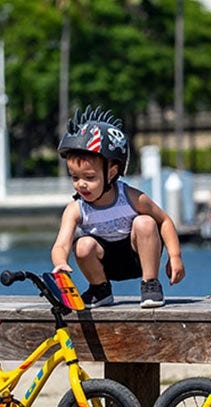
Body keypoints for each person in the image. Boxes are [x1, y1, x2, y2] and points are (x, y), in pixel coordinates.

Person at [50, 107, 186, 308]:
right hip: (105, 264)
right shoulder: (76, 209)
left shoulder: (129, 196)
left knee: (145, 222)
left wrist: (175, 256)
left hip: (137, 256)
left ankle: (150, 285)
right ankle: (100, 289)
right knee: (82, 245)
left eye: (89, 177)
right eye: (75, 177)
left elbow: (164, 220)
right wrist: (60, 262)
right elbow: (61, 244)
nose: (81, 184)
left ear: (112, 172)